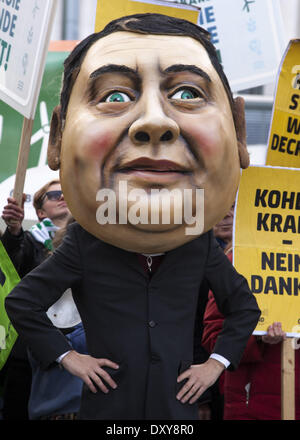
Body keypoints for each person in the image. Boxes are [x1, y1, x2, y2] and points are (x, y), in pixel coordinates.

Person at [5, 14, 260, 420]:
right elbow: (22, 302)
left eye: (189, 92)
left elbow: (243, 306)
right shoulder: (85, 245)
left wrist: (216, 365)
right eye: (115, 97)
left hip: (175, 411)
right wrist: (68, 357)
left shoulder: (197, 243)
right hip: (108, 408)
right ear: (58, 138)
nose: (155, 122)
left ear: (238, 135)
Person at [0, 180, 70, 420]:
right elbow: (11, 265)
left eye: (69, 191)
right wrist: (14, 231)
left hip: (74, 349)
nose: (63, 196)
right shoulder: (29, 241)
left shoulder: (91, 244)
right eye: (55, 194)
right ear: (40, 212)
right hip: (28, 348)